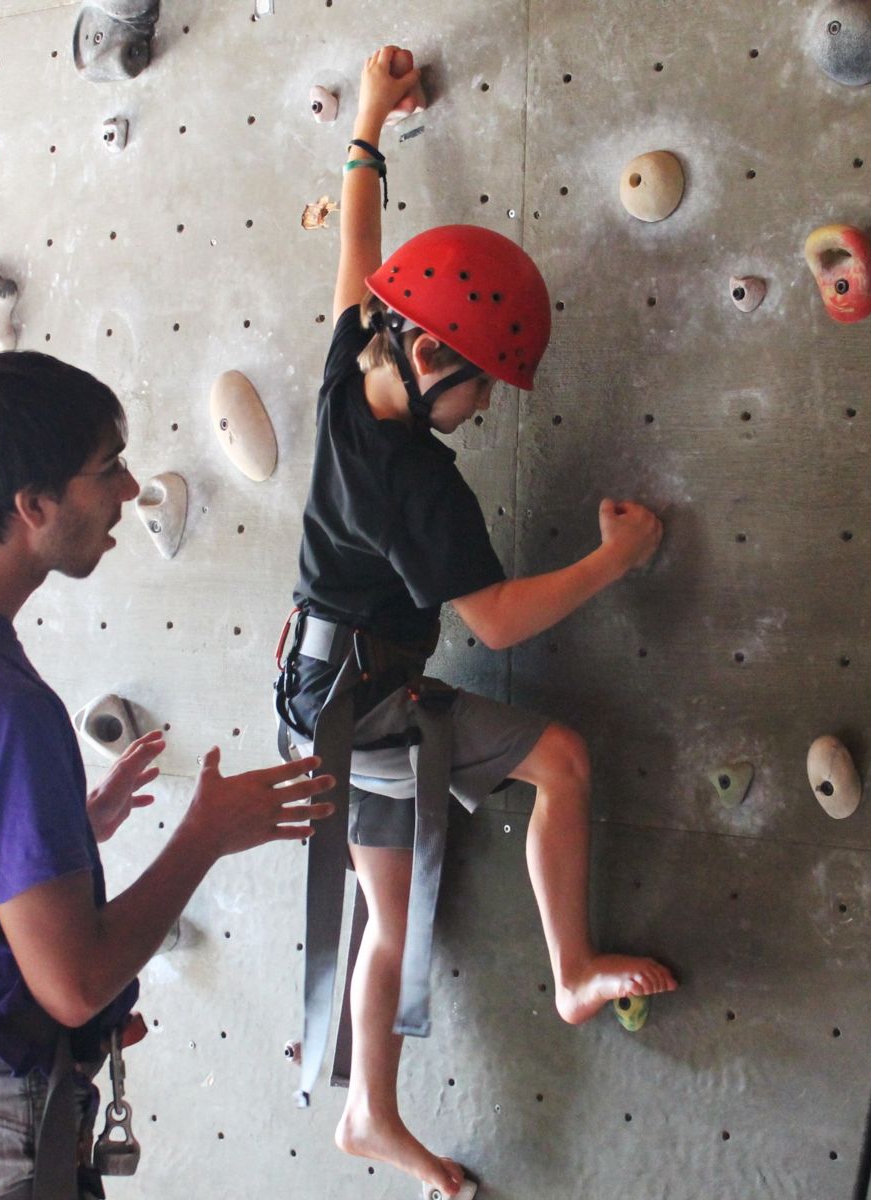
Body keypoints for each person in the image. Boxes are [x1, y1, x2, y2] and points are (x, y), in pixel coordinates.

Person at [274, 46, 677, 1199]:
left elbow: (358, 243)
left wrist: (369, 117)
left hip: (333, 688)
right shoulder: (417, 487)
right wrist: (615, 556)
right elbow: (496, 623)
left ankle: (557, 977)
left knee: (548, 768)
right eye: (484, 381)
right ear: (431, 350)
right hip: (366, 709)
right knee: (393, 923)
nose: (486, 404)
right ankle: (374, 1110)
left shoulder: (356, 352)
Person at [0, 351, 334, 1199]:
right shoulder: (1, 706)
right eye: (105, 469)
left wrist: (71, 829)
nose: (129, 487)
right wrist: (205, 836)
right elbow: (73, 987)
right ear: (33, 506)